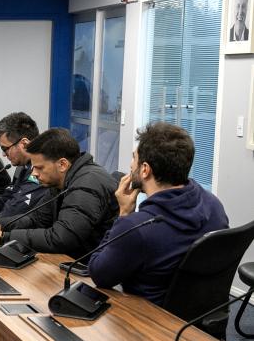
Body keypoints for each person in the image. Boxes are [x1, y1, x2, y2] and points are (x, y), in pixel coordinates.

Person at [88, 123, 228, 305]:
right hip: (197, 321)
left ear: (145, 170)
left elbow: (99, 274)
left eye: (133, 158)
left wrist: (123, 213)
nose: (131, 165)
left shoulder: (135, 227)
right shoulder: (214, 205)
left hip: (149, 323)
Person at [0, 128, 117, 257]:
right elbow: (37, 219)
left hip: (87, 270)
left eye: (39, 168)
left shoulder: (87, 183)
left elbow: (62, 238)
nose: (34, 174)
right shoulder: (60, 179)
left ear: (62, 164)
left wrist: (3, 238)